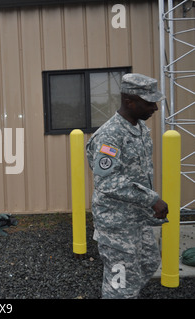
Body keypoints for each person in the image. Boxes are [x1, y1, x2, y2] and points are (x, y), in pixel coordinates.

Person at [86, 73, 169, 299]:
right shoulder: (110, 135)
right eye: (149, 102)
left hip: (136, 219)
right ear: (129, 101)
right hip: (117, 224)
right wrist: (152, 199)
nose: (155, 108)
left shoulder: (140, 129)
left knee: (148, 263)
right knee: (120, 285)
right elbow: (108, 181)